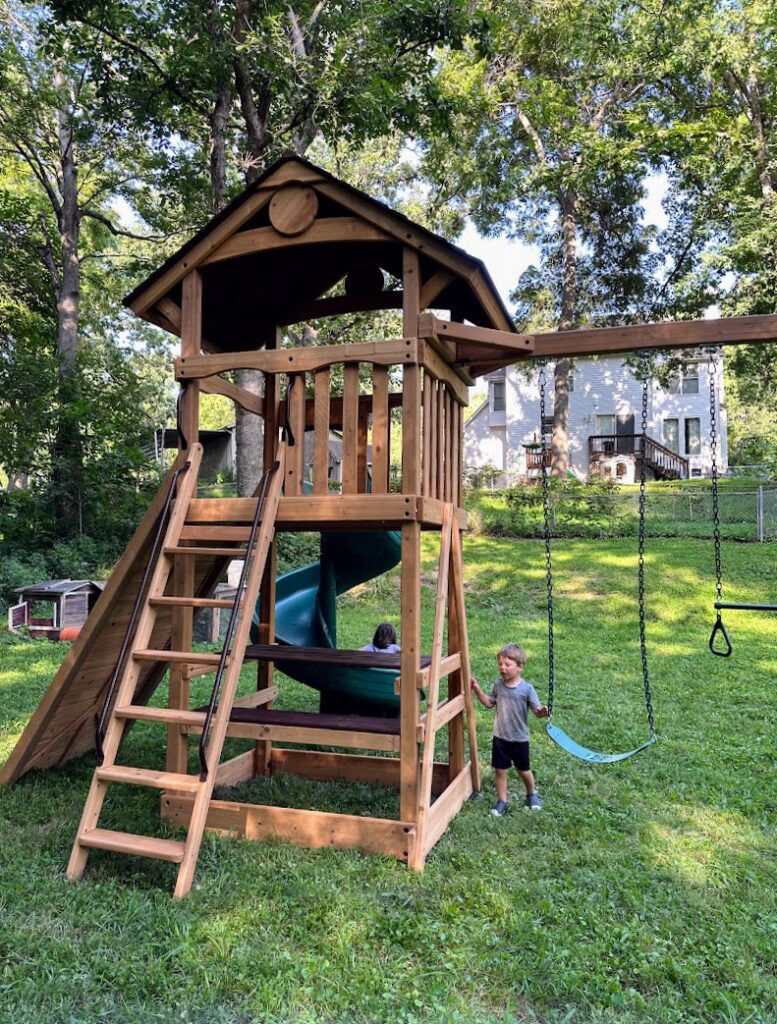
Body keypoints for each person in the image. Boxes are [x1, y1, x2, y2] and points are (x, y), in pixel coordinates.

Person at [470, 643, 548, 816]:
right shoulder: (499, 685)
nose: (502, 668)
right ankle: (502, 801)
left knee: (523, 770)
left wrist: (542, 712)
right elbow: (489, 703)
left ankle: (531, 794)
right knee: (500, 770)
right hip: (501, 737)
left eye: (507, 664)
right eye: (500, 664)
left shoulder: (527, 689)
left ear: (520, 667)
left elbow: (536, 711)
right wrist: (477, 690)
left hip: (519, 738)